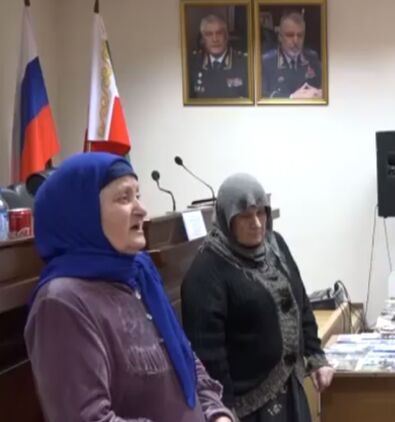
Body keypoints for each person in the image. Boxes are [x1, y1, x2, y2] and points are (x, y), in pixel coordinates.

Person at [24, 152, 234, 422]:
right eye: (124, 198)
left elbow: (185, 359)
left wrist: (217, 415)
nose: (142, 209)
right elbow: (88, 417)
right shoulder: (61, 302)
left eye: (138, 195)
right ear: (82, 213)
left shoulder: (138, 273)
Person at [181, 173, 334, 421]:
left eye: (261, 212)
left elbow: (300, 301)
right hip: (248, 409)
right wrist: (223, 411)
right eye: (245, 216)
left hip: (291, 390)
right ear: (226, 218)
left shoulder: (275, 244)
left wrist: (316, 355)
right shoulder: (206, 272)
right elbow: (208, 355)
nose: (257, 223)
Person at [261, 11, 322, 99]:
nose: (295, 40)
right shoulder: (267, 62)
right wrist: (291, 98)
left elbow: (323, 87)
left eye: (300, 35)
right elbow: (262, 96)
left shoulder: (312, 58)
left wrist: (320, 93)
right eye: (290, 35)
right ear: (280, 37)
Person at [189, 14, 249, 99]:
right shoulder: (193, 63)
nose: (215, 39)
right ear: (203, 39)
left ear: (226, 36)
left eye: (219, 33)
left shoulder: (244, 63)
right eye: (209, 34)